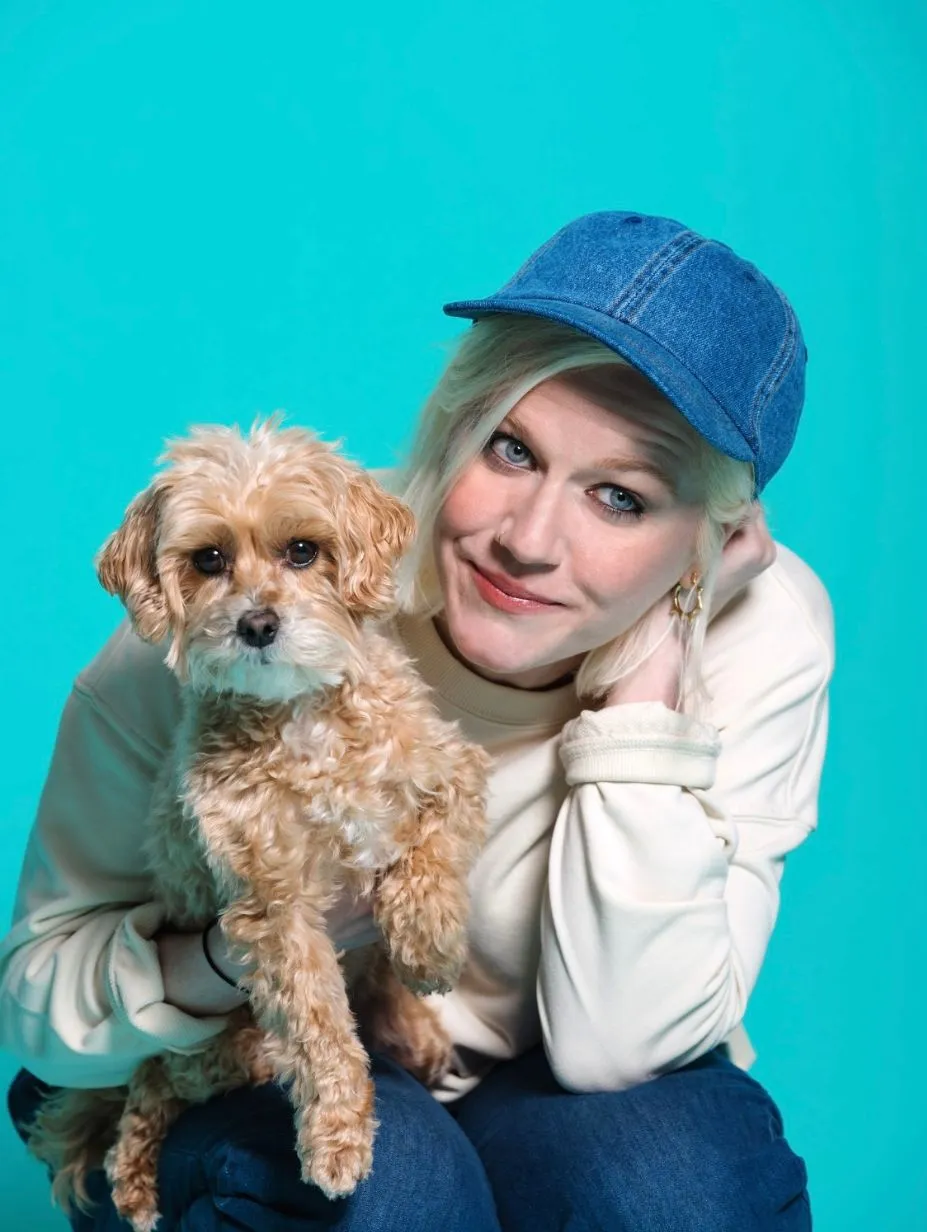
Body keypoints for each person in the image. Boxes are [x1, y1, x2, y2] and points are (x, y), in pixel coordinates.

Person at [0, 211, 832, 1231]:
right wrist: (236, 950)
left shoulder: (763, 631)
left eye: (620, 497)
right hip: (244, 1045)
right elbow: (39, 1009)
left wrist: (650, 681)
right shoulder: (243, 613)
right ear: (454, 421)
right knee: (381, 1189)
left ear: (716, 534)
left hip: (527, 1083)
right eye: (511, 449)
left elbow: (626, 1044)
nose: (527, 540)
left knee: (678, 1183)